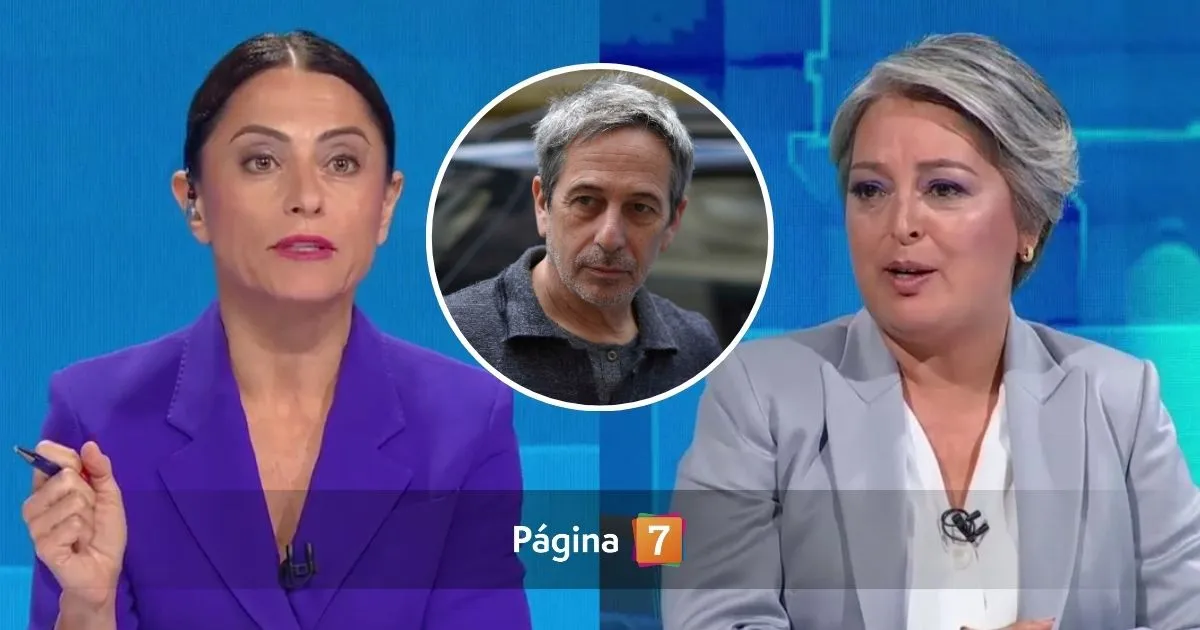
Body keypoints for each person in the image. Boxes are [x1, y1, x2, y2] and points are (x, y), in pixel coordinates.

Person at [661, 33, 1200, 630]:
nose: (901, 224)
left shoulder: (1118, 403)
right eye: (870, 190)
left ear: (1029, 221)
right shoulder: (763, 397)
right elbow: (715, 619)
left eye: (943, 189)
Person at [21, 31, 530, 630]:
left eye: (342, 163)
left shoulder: (466, 421)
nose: (306, 197)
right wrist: (88, 605)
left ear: (387, 204)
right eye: (261, 161)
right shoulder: (96, 418)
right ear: (194, 202)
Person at [443, 73, 722, 407]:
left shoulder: (695, 345)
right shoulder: (456, 336)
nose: (610, 238)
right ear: (542, 205)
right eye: (586, 201)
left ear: (673, 221)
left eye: (640, 208)